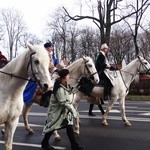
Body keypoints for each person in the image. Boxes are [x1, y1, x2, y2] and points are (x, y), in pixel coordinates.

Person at [41, 69, 84, 150]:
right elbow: (63, 102)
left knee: (69, 127)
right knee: (51, 128)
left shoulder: (63, 85)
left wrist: (79, 85)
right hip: (56, 113)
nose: (69, 76)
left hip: (63, 113)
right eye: (67, 75)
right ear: (64, 77)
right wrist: (74, 111)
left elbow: (70, 91)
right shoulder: (59, 89)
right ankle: (44, 143)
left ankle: (74, 145)